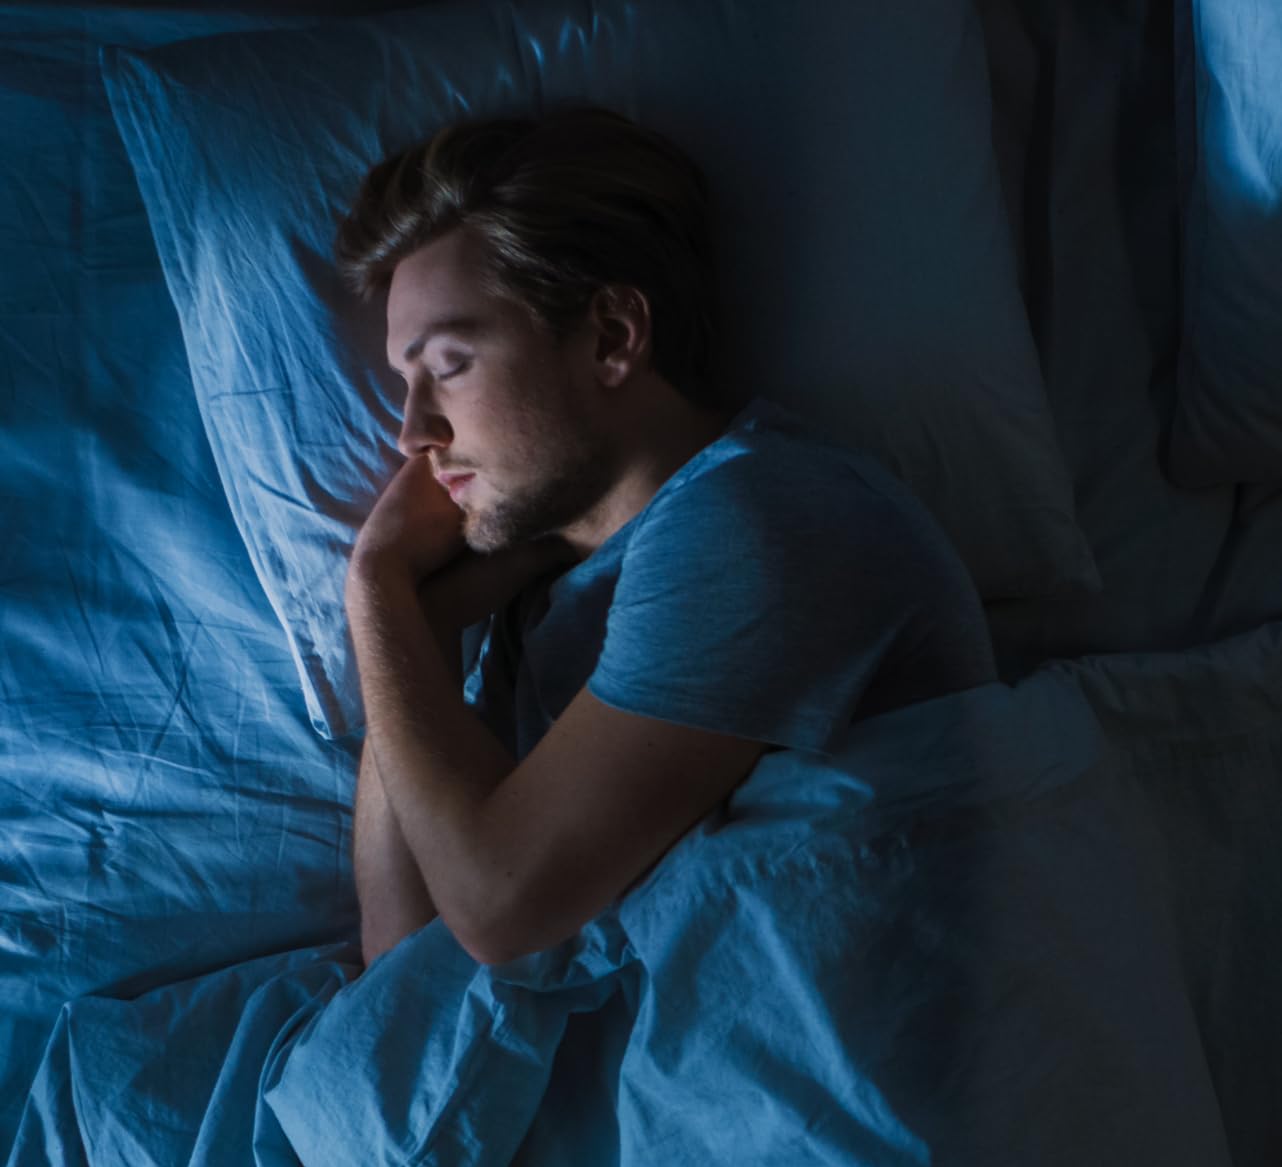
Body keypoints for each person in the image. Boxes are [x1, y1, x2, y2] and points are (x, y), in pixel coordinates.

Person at [335, 106, 998, 971]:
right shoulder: (530, 594)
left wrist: (377, 592)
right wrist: (420, 629)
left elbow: (498, 907)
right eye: (405, 379)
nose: (411, 432)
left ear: (611, 337)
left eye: (451, 364)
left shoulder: (759, 519)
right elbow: (403, 968)